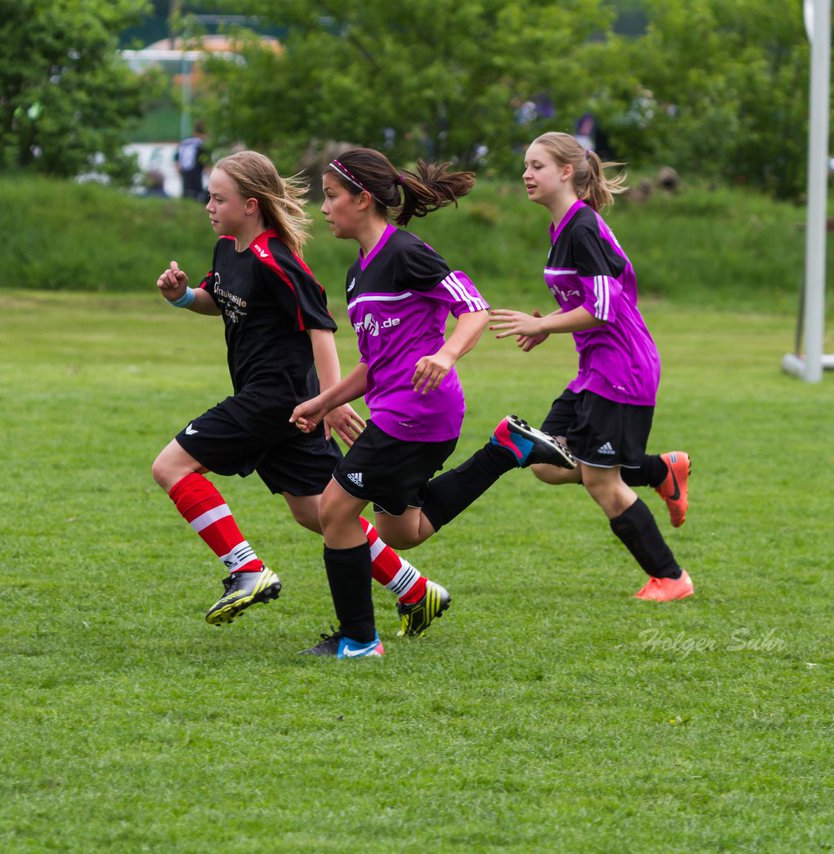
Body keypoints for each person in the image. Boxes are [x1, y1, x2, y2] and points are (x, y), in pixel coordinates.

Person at [289, 148, 575, 659]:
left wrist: (445, 353)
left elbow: (473, 309)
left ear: (363, 198)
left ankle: (358, 640)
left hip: (417, 413)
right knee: (403, 531)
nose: (324, 208)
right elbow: (373, 365)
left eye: (331, 197)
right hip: (401, 410)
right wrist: (323, 402)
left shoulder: (406, 253)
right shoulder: (359, 276)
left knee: (334, 510)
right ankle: (506, 450)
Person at [152, 150, 451, 637]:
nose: (208, 205)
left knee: (171, 466)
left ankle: (245, 569)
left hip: (275, 398)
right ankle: (415, 590)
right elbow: (223, 303)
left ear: (251, 204)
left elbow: (322, 329)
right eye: (208, 196)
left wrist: (332, 401)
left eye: (218, 198)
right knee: (319, 513)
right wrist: (183, 296)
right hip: (283, 405)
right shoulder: (228, 247)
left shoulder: (279, 259)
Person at [490, 132, 694, 602]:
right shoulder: (562, 228)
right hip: (596, 368)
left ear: (566, 172)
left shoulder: (581, 227)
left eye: (537, 166)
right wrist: (548, 325)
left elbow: (602, 307)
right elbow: (589, 299)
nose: (526, 174)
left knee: (601, 479)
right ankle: (659, 470)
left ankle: (670, 578)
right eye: (525, 165)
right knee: (544, 460)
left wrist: (546, 325)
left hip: (622, 368)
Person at [174, 121, 211, 202]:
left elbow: (176, 164)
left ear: (194, 132)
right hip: (196, 181)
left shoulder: (184, 143)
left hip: (185, 182)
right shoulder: (203, 146)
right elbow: (207, 168)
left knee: (187, 199)